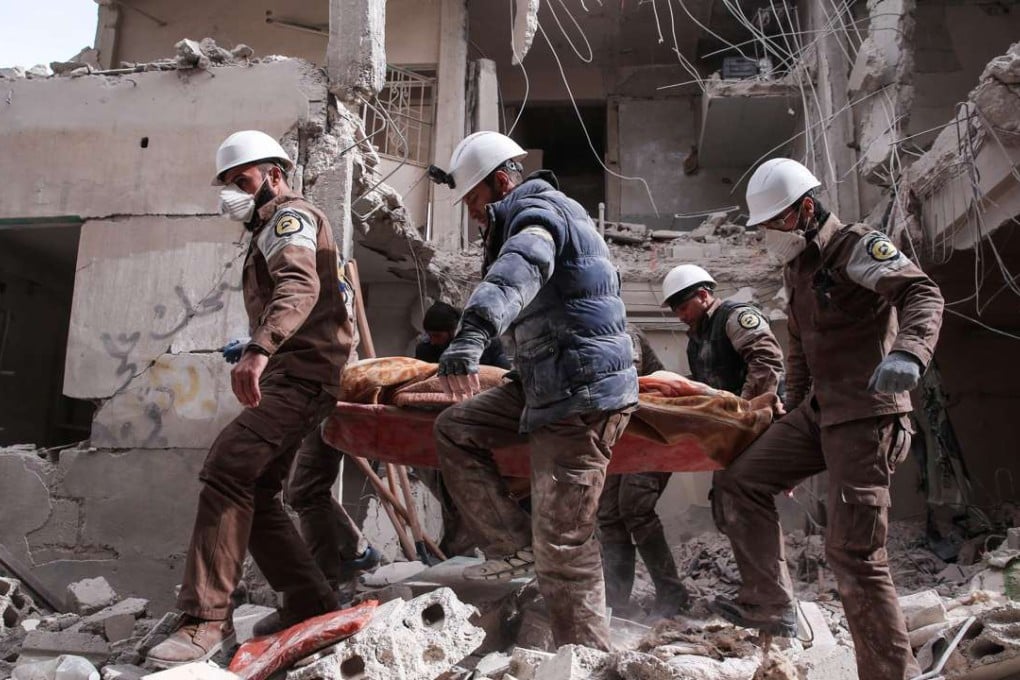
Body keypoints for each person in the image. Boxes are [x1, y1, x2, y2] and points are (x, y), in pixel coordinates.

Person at [710, 158, 944, 679]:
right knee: (740, 480)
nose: (768, 237)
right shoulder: (798, 268)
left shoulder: (853, 247)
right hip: (819, 415)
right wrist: (790, 432)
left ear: (805, 211)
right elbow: (799, 351)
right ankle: (772, 606)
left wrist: (908, 352)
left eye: (772, 224)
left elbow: (920, 291)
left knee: (855, 556)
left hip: (867, 417)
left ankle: (891, 675)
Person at [148, 130, 355, 666]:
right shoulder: (268, 227)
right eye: (227, 185)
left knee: (227, 465)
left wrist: (261, 348)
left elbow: (299, 287)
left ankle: (206, 621)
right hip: (299, 371)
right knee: (256, 486)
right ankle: (310, 601)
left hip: (301, 376)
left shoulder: (290, 218)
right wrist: (258, 341)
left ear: (276, 175)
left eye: (242, 181)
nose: (233, 193)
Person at [427, 131, 638, 651]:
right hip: (547, 381)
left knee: (565, 545)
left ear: (502, 181)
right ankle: (516, 546)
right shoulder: (521, 216)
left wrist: (473, 331)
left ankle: (586, 659)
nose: (474, 213)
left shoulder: (539, 213)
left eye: (474, 199)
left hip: (581, 393)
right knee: (456, 428)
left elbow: (523, 268)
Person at [597, 325, 690, 619]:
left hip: (650, 434)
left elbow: (639, 378)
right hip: (618, 439)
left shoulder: (623, 332)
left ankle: (672, 593)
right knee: (609, 515)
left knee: (634, 508)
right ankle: (617, 600)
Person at [661, 264, 784, 400]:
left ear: (702, 295)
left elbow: (766, 360)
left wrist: (746, 406)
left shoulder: (735, 317)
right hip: (726, 414)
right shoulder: (697, 338)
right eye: (676, 312)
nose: (681, 317)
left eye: (684, 308)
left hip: (755, 412)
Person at [414, 300, 512, 369]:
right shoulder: (425, 350)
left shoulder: (487, 343)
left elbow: (502, 373)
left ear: (453, 331)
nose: (433, 341)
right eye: (430, 336)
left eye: (437, 336)